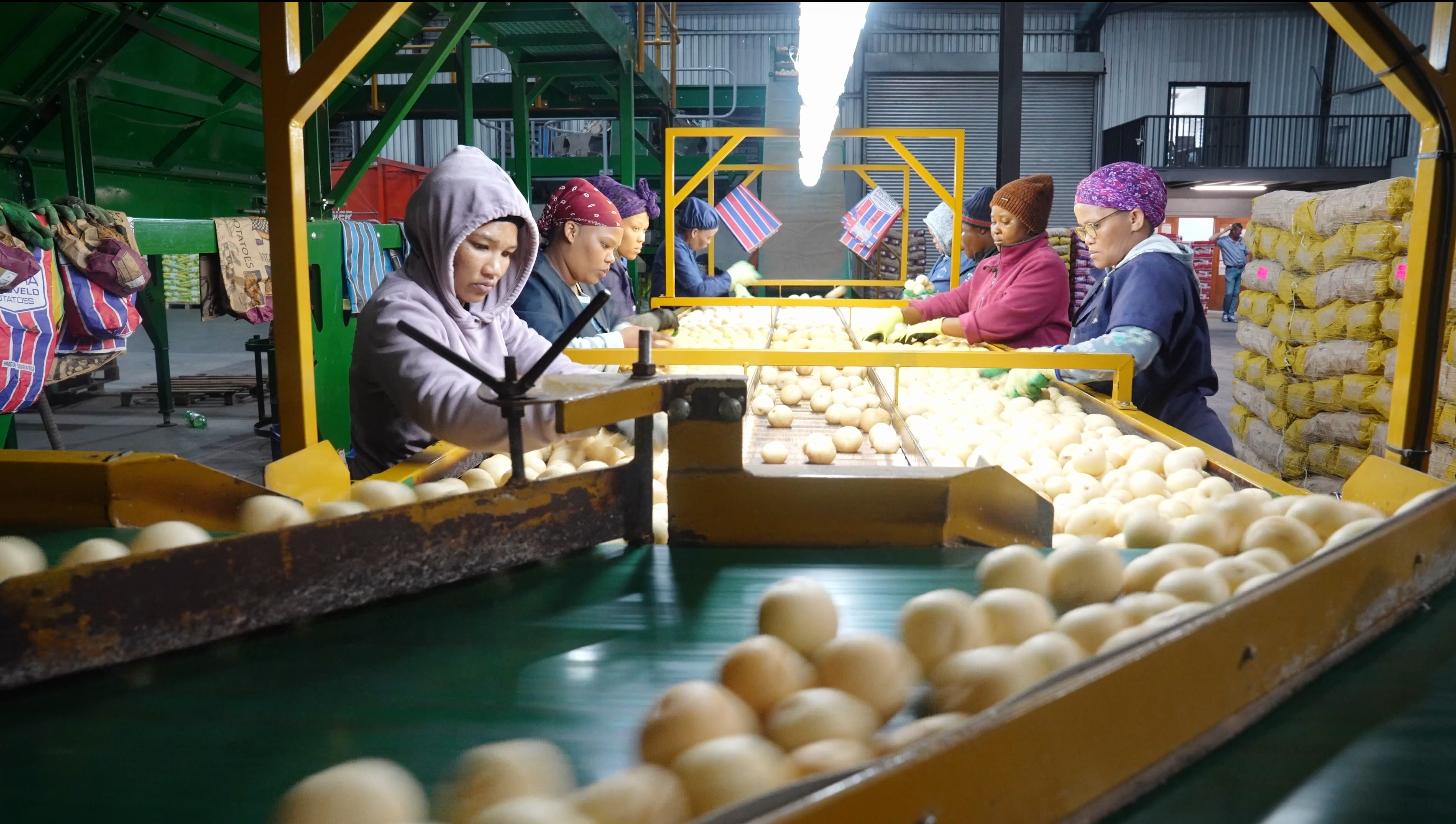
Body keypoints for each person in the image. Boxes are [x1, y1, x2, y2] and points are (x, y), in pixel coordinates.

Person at [348, 147, 597, 479]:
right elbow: (450, 405)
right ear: (440, 234)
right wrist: (574, 415)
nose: (495, 268)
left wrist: (606, 394)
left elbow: (544, 363)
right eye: (481, 246)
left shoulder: (489, 307)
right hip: (403, 486)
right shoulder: (398, 313)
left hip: (472, 464)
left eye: (508, 253)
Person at [998, 161, 1233, 453]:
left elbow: (1129, 349)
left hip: (1174, 436)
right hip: (1143, 430)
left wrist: (1050, 361)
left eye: (1094, 226)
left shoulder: (1153, 268)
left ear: (1134, 218)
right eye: (1083, 229)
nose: (1087, 239)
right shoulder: (1119, 271)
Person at [864, 175, 1070, 348]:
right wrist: (903, 314)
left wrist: (939, 326)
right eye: (994, 221)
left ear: (1030, 226)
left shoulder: (1045, 266)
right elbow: (955, 300)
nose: (996, 228)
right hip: (998, 360)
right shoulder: (991, 265)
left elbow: (1002, 318)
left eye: (1006, 222)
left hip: (1034, 373)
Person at [514, 178, 669, 359]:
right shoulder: (533, 284)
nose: (611, 258)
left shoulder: (586, 282)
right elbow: (547, 357)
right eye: (605, 245)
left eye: (613, 249)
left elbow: (610, 325)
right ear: (572, 231)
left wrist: (631, 333)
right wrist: (620, 341)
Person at [589, 174, 677, 333]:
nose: (642, 239)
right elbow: (615, 328)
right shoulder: (602, 271)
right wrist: (656, 318)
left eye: (644, 230)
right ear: (611, 224)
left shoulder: (619, 264)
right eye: (635, 229)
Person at [649, 197, 761, 297]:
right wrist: (731, 277)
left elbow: (699, 280)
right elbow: (699, 290)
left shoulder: (685, 248)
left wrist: (733, 282)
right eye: (708, 237)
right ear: (694, 232)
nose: (709, 242)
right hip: (665, 315)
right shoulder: (675, 248)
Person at [923, 201, 974, 294]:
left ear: (946, 235)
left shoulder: (968, 261)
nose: (933, 241)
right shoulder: (945, 258)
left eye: (934, 236)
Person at [1216, 222, 1247, 323]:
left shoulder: (1241, 241)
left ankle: (1231, 314)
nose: (1239, 234)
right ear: (1232, 231)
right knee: (1229, 293)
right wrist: (1225, 230)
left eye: (1240, 232)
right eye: (1238, 232)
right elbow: (1211, 239)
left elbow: (1247, 252)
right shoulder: (1224, 241)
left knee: (1236, 293)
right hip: (1231, 270)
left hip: (1241, 269)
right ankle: (1225, 313)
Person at [959, 185, 998, 267]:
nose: (960, 239)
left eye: (962, 231)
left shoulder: (995, 267)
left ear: (981, 230)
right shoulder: (982, 261)